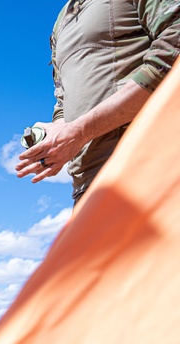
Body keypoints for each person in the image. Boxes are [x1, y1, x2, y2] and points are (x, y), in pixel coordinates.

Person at [16, 0, 180, 202]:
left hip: (151, 168)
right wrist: (56, 136)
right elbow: (62, 99)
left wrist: (82, 131)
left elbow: (174, 48)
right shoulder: (60, 21)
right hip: (88, 187)